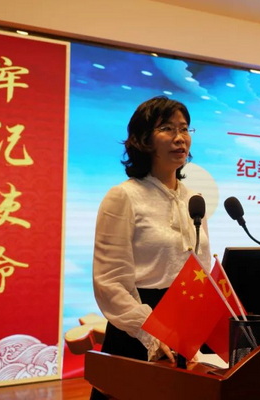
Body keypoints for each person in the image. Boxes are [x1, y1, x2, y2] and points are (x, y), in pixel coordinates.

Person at [90, 96, 211, 399]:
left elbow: (202, 269)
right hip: (137, 331)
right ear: (144, 139)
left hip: (184, 328)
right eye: (167, 128)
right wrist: (150, 332)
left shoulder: (193, 199)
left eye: (184, 128)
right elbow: (110, 282)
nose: (180, 137)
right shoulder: (124, 196)